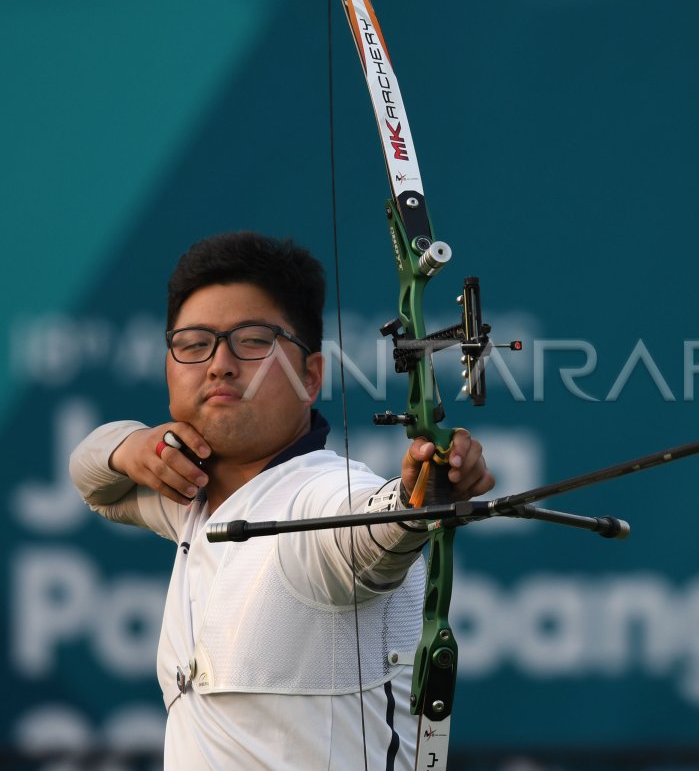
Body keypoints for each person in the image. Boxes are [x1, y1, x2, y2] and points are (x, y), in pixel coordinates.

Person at [69, 231, 494, 769]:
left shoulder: (319, 494)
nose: (219, 364)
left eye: (252, 341)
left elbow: (363, 533)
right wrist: (130, 447)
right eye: (194, 343)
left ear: (310, 375)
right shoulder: (186, 497)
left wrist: (416, 499)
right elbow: (89, 474)